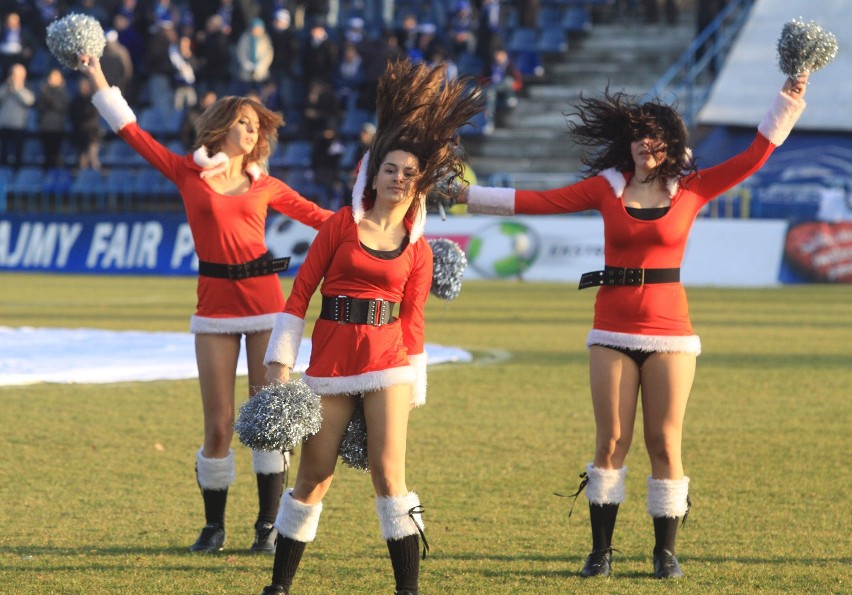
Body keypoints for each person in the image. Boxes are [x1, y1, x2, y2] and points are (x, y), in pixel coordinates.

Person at [456, 73, 808, 579]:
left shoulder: (692, 189)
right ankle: (601, 551)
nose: (646, 143)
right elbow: (541, 201)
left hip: (671, 332)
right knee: (611, 441)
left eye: (656, 135)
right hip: (612, 329)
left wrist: (786, 103)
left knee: (665, 443)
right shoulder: (607, 188)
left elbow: (752, 156)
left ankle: (665, 553)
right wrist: (464, 195)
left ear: (670, 146)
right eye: (640, 134)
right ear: (631, 142)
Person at [77, 51, 334, 554]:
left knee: (267, 421)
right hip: (213, 308)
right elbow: (132, 132)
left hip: (266, 304)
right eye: (243, 122)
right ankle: (214, 527)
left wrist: (391, 221)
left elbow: (325, 219)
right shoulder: (187, 174)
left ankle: (266, 527)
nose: (252, 132)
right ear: (220, 128)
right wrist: (96, 72)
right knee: (217, 427)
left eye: (258, 127)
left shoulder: (267, 185)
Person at [258, 59, 483, 595]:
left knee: (389, 477)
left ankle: (407, 588)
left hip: (388, 366)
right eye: (391, 170)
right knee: (313, 477)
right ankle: (280, 586)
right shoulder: (339, 225)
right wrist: (279, 365)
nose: (399, 178)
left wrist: (413, 389)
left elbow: (414, 322)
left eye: (409, 173)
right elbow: (300, 294)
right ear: (374, 174)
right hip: (331, 364)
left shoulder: (421, 250)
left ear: (417, 183)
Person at [0, 62, 34, 168]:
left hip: (19, 125)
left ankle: (16, 170)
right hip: (5, 123)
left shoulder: (27, 87)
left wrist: (17, 88)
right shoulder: (5, 86)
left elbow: (29, 101)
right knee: (3, 151)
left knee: (18, 151)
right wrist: (7, 86)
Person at [36, 67, 69, 169]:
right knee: (46, 153)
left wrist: (47, 96)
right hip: (45, 127)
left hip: (57, 127)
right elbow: (39, 107)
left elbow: (59, 107)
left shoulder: (63, 93)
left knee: (55, 153)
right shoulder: (43, 92)